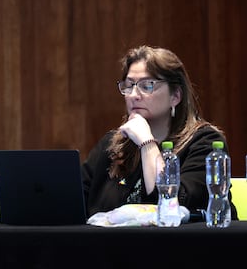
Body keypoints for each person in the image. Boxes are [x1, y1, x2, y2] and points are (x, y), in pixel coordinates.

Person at [81, 45, 238, 220]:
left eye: (147, 85)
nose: (134, 95)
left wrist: (147, 144)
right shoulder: (113, 144)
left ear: (175, 96)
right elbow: (76, 199)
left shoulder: (204, 142)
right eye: (129, 85)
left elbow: (172, 206)